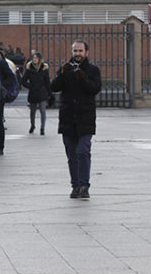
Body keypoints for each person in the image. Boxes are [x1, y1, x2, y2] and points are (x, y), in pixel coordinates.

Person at [50, 40, 102, 200]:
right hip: (68, 118)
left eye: (80, 51)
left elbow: (95, 89)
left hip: (85, 118)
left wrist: (84, 78)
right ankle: (75, 186)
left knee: (82, 151)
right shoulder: (66, 68)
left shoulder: (93, 70)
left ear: (86, 52)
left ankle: (84, 186)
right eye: (75, 51)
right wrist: (62, 74)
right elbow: (54, 87)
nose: (77, 54)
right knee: (72, 154)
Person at [20, 52, 51, 135]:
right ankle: (32, 125)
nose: (34, 59)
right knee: (32, 111)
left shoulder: (44, 69)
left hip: (42, 92)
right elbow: (23, 80)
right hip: (33, 92)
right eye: (33, 58)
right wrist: (30, 86)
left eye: (36, 58)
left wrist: (49, 93)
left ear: (39, 59)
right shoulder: (29, 69)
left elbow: (47, 82)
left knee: (42, 110)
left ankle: (42, 128)